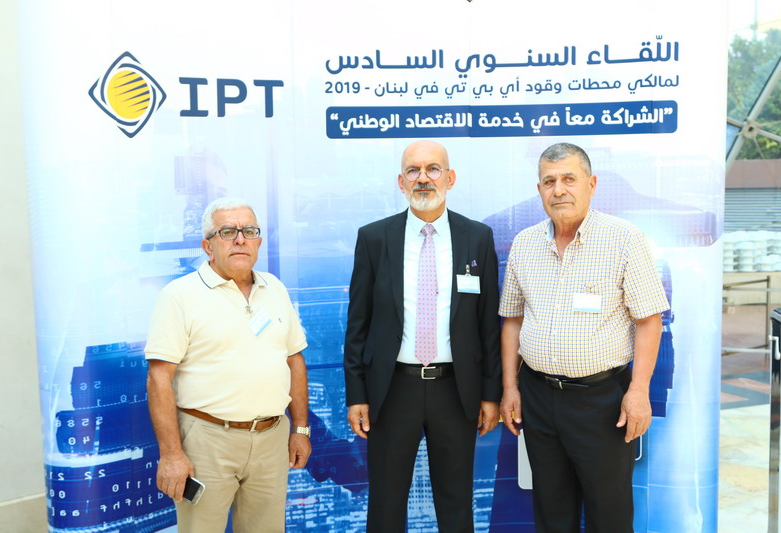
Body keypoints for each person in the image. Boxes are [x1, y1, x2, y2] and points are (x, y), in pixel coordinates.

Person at [499, 143, 669, 532]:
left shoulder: (624, 238)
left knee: (609, 514)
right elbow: (512, 321)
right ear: (539, 189)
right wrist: (510, 387)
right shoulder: (524, 243)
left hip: (602, 402)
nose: (559, 189)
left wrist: (639, 391)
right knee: (550, 510)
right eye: (549, 181)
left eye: (569, 179)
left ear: (591, 184)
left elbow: (649, 321)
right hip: (538, 398)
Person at [344, 140, 502, 533]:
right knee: (385, 503)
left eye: (433, 169)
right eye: (413, 170)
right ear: (401, 182)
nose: (423, 178)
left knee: (456, 503)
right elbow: (358, 322)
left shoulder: (477, 237)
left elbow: (487, 323)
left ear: (450, 178)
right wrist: (357, 394)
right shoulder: (374, 238)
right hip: (392, 388)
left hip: (456, 389)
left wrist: (490, 394)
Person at [145, 197, 311, 533]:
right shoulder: (179, 295)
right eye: (227, 232)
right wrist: (172, 454)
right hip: (207, 442)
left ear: (258, 242)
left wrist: (300, 430)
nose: (240, 239)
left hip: (272, 438)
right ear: (207, 246)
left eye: (249, 231)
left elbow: (294, 360)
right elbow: (159, 378)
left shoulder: (275, 288)